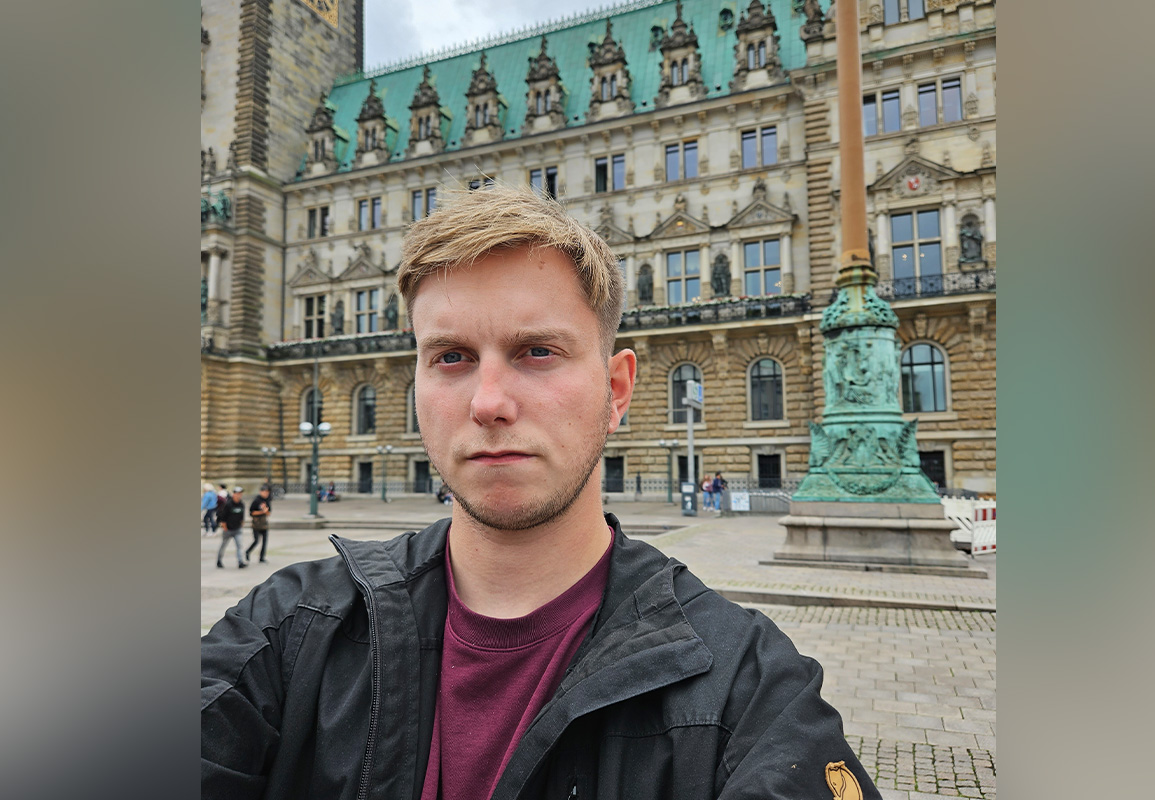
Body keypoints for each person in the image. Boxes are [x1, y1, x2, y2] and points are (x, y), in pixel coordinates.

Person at [201, 185, 878, 800]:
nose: (489, 403)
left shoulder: (747, 689)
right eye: (451, 357)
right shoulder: (288, 631)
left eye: (538, 352)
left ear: (616, 390)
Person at [214, 486, 247, 569]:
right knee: (223, 545)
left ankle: (240, 562)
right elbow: (223, 517)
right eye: (237, 494)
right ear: (234, 494)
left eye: (240, 494)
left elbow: (242, 516)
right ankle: (219, 560)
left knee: (239, 546)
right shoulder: (228, 504)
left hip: (237, 529)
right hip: (228, 529)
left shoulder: (241, 504)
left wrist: (241, 524)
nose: (239, 495)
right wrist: (225, 527)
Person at [245, 484, 271, 564]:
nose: (266, 494)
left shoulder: (267, 501)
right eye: (264, 492)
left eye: (267, 492)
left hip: (264, 524)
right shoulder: (256, 500)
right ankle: (248, 551)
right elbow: (251, 512)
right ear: (261, 492)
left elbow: (268, 513)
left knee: (264, 541)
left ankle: (262, 557)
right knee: (256, 541)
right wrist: (262, 511)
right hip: (256, 524)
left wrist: (265, 511)